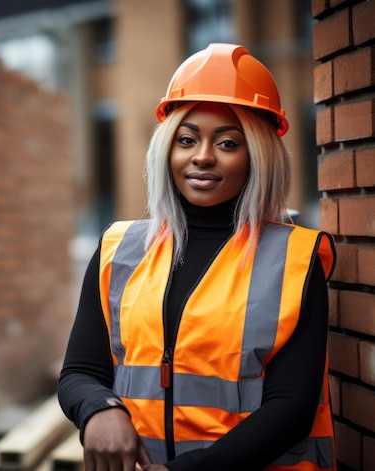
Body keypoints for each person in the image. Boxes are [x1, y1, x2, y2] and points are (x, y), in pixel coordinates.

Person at [57, 43, 336, 471]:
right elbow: (79, 371)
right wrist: (99, 408)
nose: (202, 156)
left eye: (227, 143)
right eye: (187, 139)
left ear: (257, 155)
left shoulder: (296, 260)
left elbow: (292, 408)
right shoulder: (118, 249)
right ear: (167, 150)